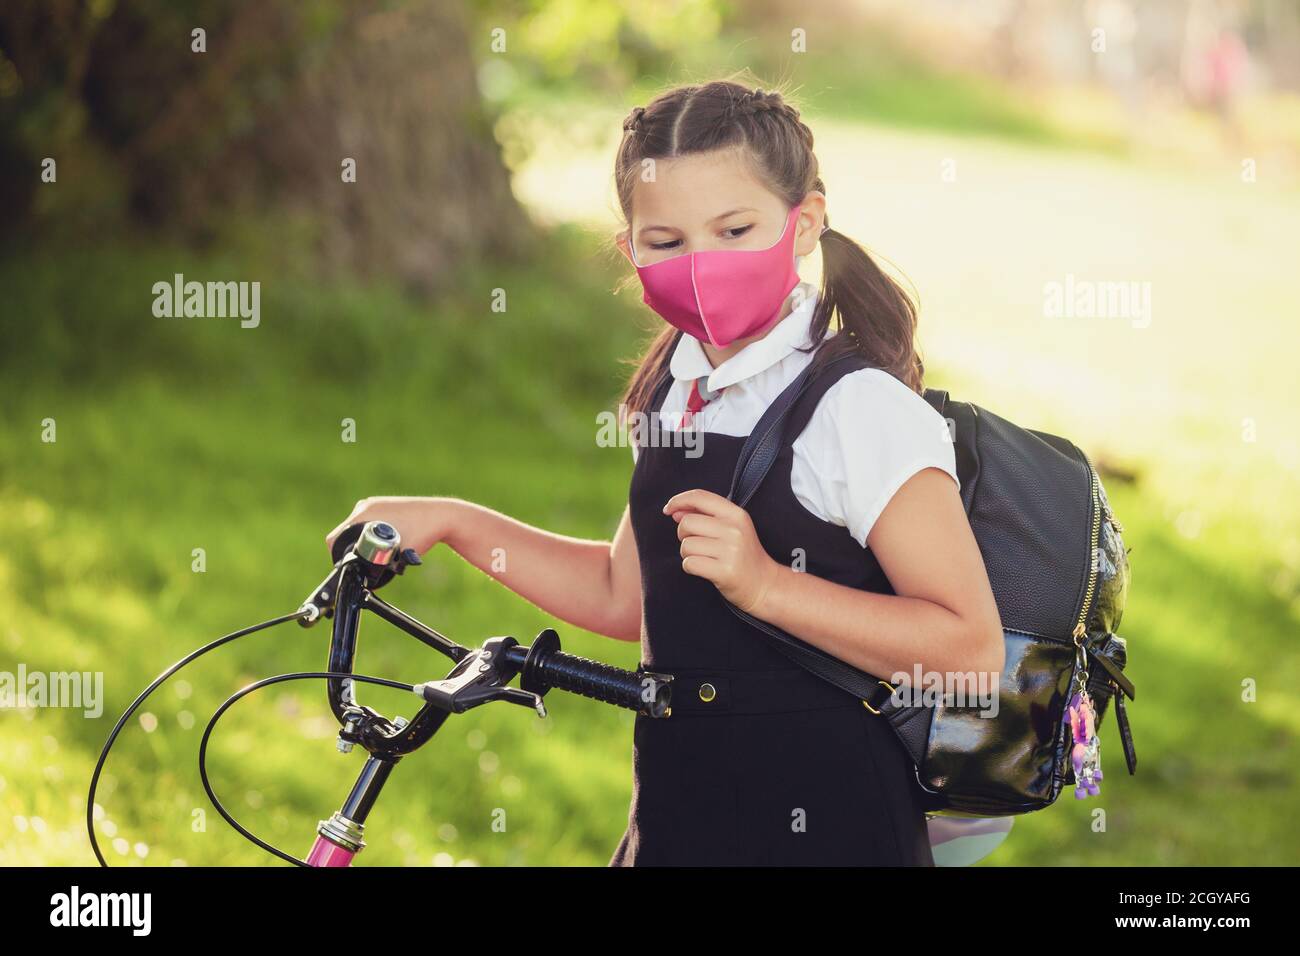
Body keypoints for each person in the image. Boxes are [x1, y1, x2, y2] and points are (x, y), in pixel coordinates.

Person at [327, 79, 1004, 866]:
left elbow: (970, 652)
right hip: (679, 817)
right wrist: (451, 521)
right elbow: (625, 595)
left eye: (735, 229)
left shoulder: (860, 409)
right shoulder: (679, 390)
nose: (701, 264)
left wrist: (766, 584)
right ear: (630, 250)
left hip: (828, 825)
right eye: (668, 242)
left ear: (806, 223)